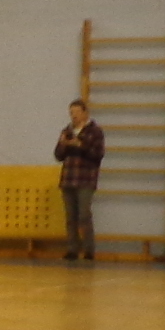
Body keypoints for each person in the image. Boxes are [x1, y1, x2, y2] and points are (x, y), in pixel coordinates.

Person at [55, 98, 104, 262]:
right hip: (69, 178)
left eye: (76, 112)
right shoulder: (67, 131)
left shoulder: (95, 132)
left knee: (84, 214)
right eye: (71, 113)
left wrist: (80, 145)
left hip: (85, 179)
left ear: (85, 113)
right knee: (70, 217)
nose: (74, 116)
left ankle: (89, 250)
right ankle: (72, 249)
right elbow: (58, 155)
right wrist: (63, 144)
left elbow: (98, 155)